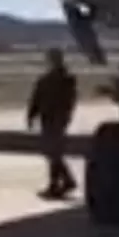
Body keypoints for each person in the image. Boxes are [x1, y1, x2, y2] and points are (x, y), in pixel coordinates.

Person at [26, 48, 78, 199]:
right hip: (48, 118)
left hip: (56, 118)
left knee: (53, 152)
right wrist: (31, 115)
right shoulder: (47, 79)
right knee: (52, 152)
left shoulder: (65, 79)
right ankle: (62, 182)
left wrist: (65, 117)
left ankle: (60, 183)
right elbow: (36, 99)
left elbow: (69, 101)